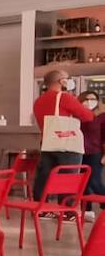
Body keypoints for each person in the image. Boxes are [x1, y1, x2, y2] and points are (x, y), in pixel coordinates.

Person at [33, 70, 94, 200]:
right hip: (67, 145)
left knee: (44, 177)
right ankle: (67, 211)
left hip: (47, 143)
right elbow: (88, 116)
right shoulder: (65, 98)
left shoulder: (38, 101)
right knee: (68, 178)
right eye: (68, 78)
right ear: (62, 81)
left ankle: (41, 207)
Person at [78, 90, 105, 221]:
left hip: (95, 152)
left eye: (92, 99)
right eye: (86, 99)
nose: (89, 102)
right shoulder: (77, 116)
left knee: (95, 181)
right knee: (83, 183)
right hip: (79, 152)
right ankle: (86, 211)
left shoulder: (102, 116)